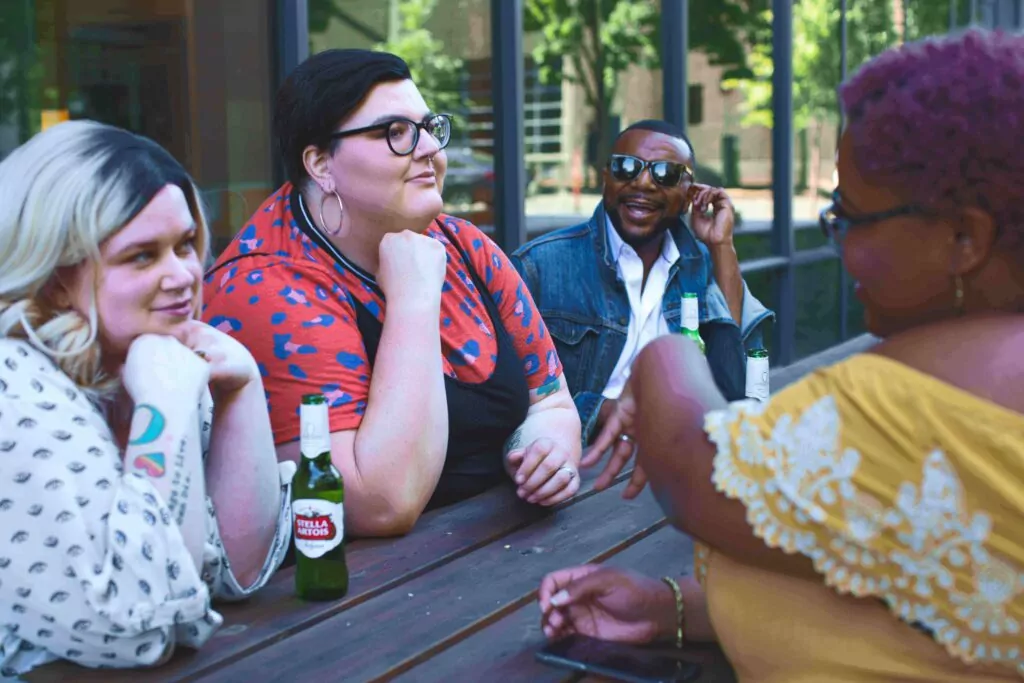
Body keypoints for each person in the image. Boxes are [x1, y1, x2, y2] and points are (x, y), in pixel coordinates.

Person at [539, 29, 1024, 681]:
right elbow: (912, 587)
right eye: (626, 167)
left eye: (849, 218)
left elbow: (695, 467)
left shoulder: (906, 402)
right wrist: (675, 608)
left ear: (965, 237)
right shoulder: (546, 263)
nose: (838, 248)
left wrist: (660, 362)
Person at [202, 49, 581, 538]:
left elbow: (551, 400)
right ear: (320, 163)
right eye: (395, 133)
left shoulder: (464, 246)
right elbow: (379, 503)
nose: (428, 149)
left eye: (428, 128)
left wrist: (547, 448)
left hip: (499, 560)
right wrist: (413, 300)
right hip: (353, 600)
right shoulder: (264, 288)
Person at [0, 121, 293, 675]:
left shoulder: (148, 357)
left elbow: (235, 574)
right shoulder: (13, 384)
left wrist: (241, 391)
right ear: (57, 274)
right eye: (142, 256)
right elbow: (138, 628)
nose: (182, 274)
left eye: (185, 245)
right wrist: (165, 408)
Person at [511, 120, 772, 444]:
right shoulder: (539, 265)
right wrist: (603, 410)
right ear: (605, 177)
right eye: (626, 168)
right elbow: (507, 393)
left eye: (665, 173)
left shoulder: (697, 264)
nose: (644, 183)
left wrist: (721, 245)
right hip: (578, 458)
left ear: (690, 193)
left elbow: (731, 377)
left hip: (677, 454)